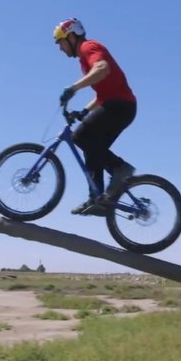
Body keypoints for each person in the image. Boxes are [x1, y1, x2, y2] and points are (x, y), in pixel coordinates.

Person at [53, 17, 137, 216]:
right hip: (117, 105)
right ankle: (97, 198)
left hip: (120, 106)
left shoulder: (88, 47)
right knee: (90, 144)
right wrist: (83, 112)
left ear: (71, 37)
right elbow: (101, 95)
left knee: (82, 137)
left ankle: (119, 169)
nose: (60, 48)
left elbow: (102, 69)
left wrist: (73, 88)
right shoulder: (83, 61)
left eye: (61, 42)